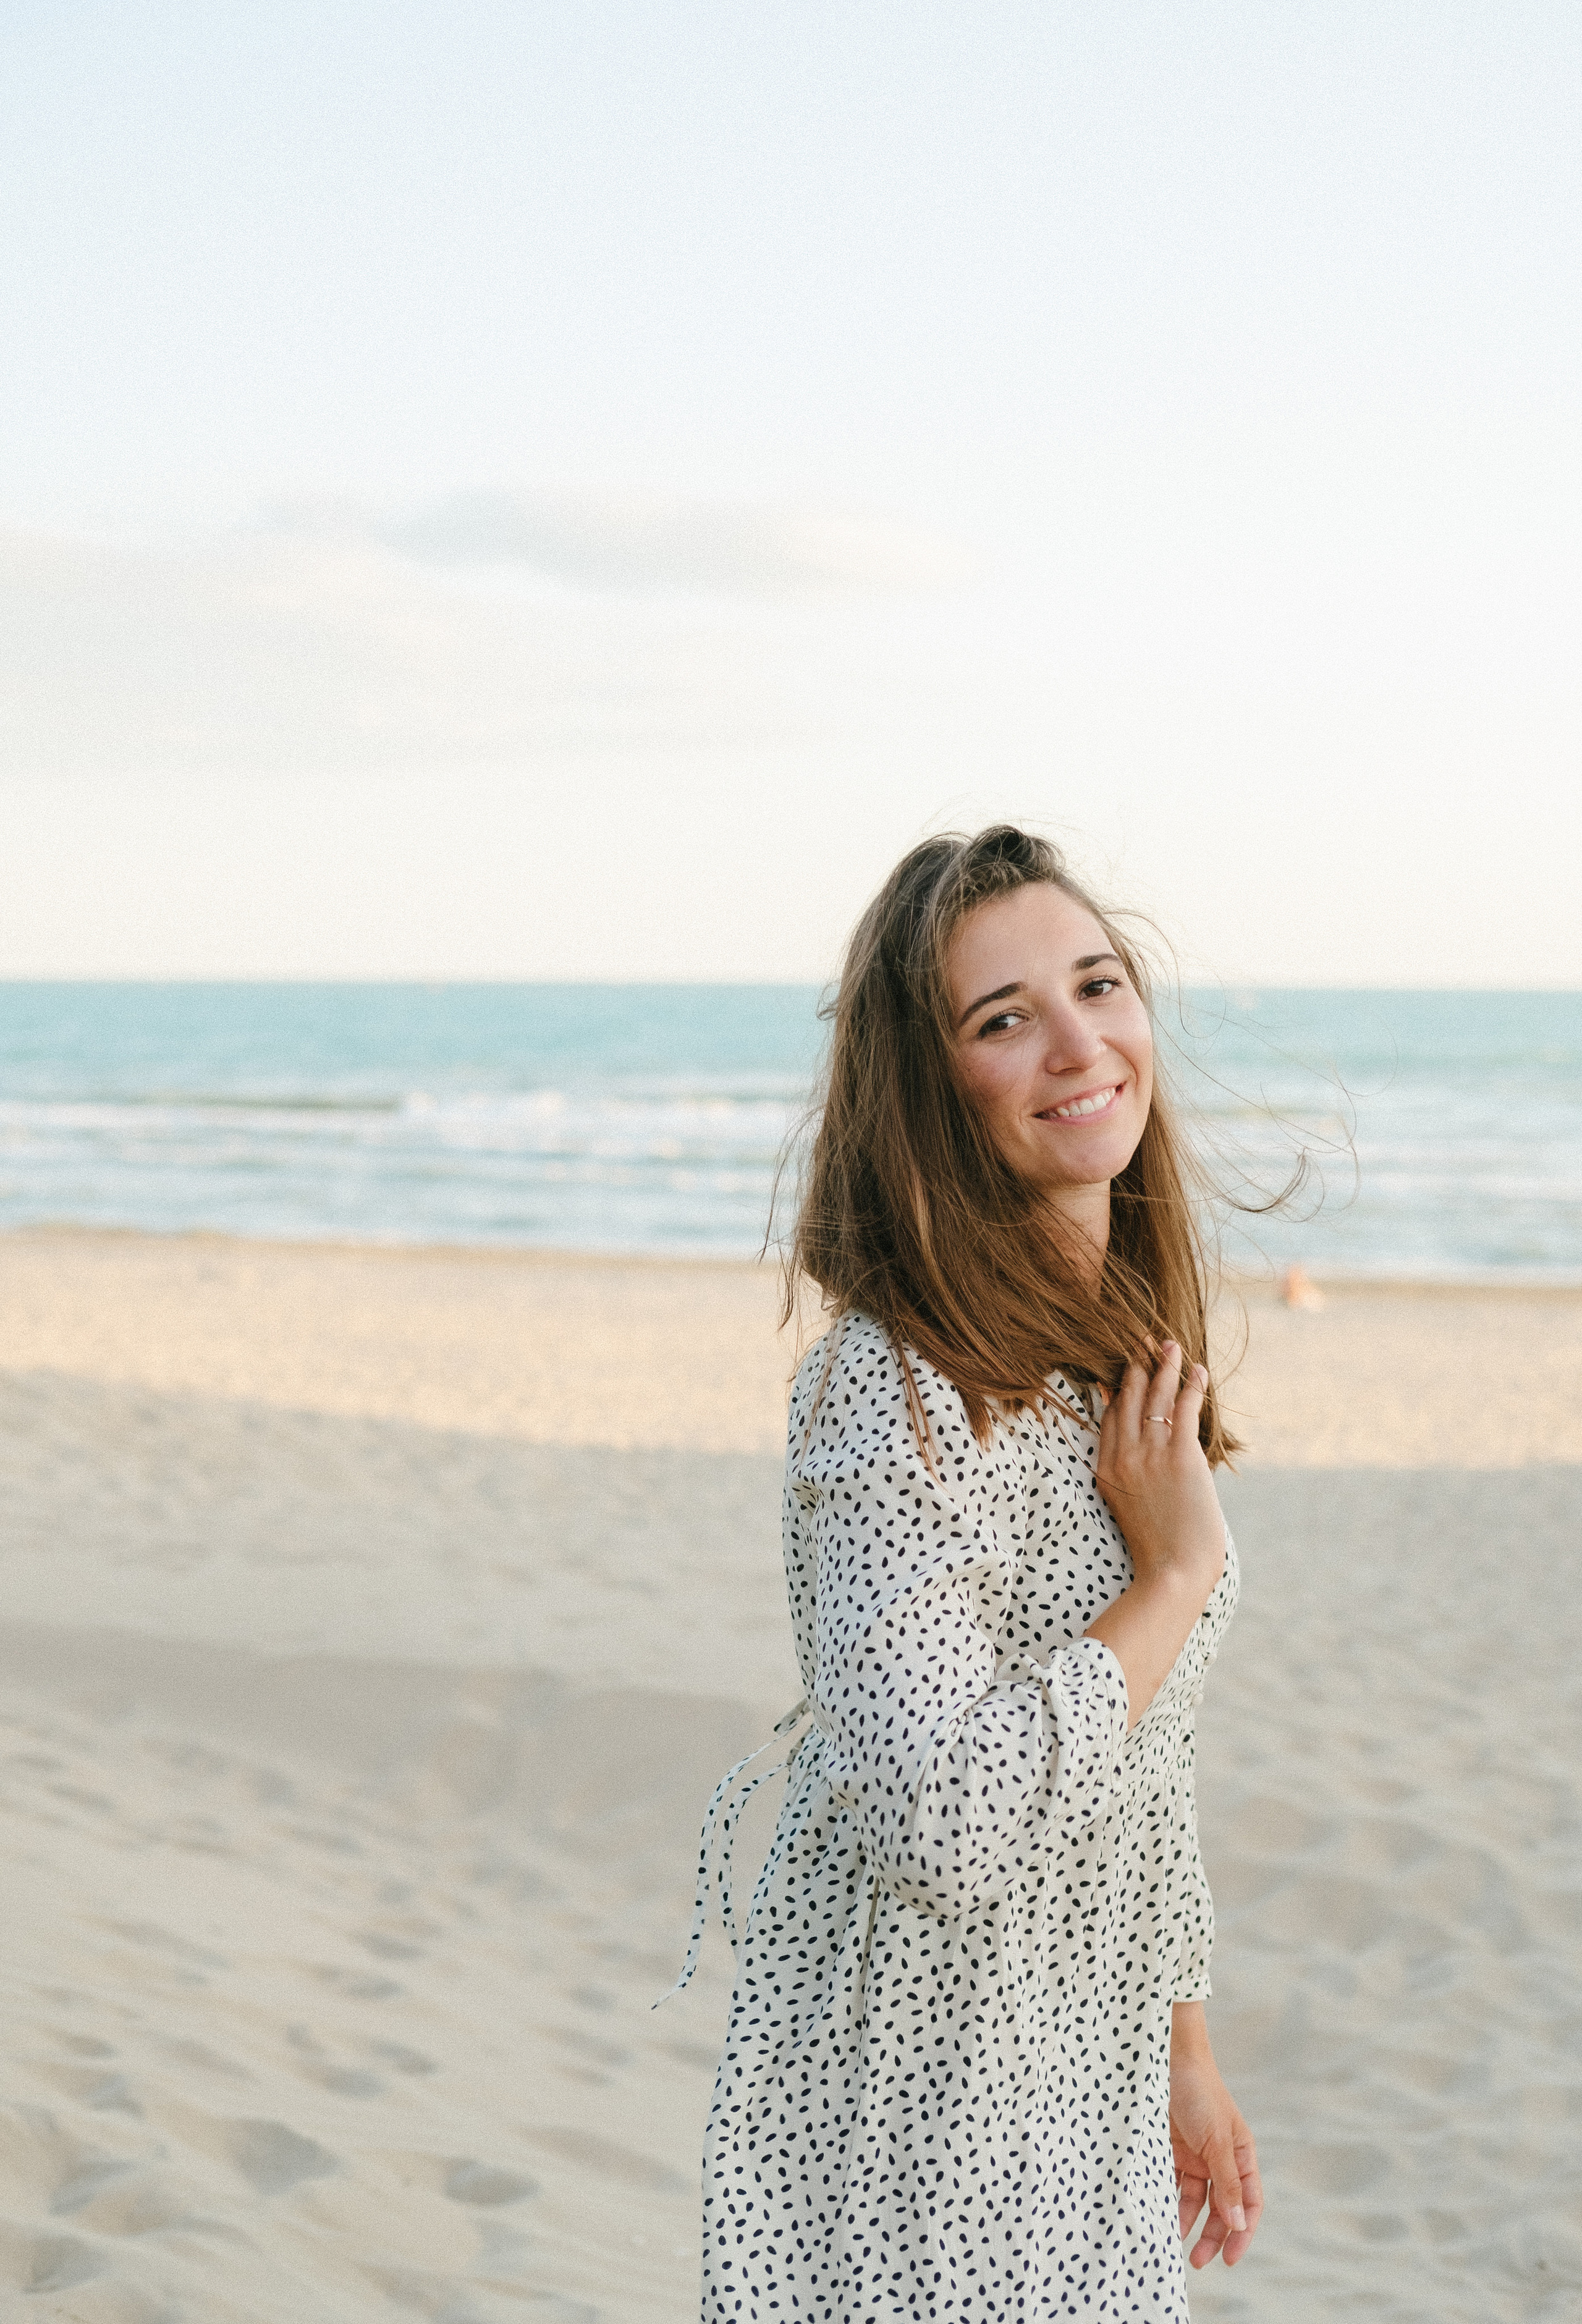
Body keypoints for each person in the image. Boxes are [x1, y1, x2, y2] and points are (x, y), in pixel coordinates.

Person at [680, 824, 1261, 2321]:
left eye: (1097, 984)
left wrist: (1181, 2051)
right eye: (1003, 1019)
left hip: (1087, 2062)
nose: (1078, 1043)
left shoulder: (1116, 1358)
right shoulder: (892, 1390)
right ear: (928, 1087)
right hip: (925, 2093)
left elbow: (1149, 1758)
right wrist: (1171, 1577)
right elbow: (940, 1823)